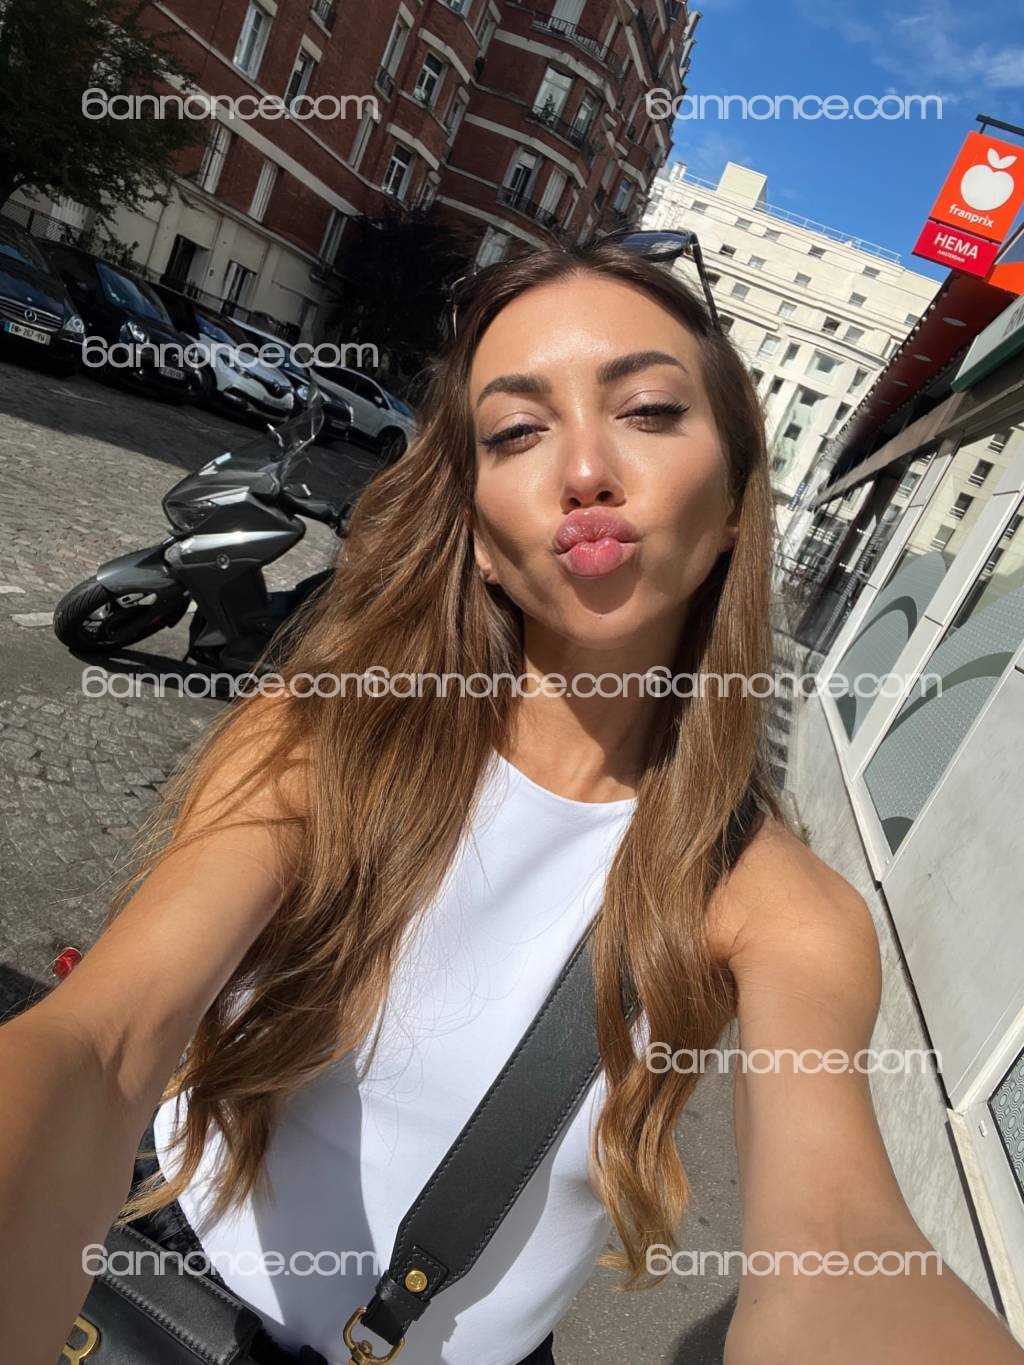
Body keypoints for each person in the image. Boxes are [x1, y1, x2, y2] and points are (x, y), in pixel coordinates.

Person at [2, 235, 1023, 1365]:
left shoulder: (787, 913)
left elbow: (833, 1246)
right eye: (517, 431)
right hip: (178, 1305)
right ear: (482, 537)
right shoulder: (318, 743)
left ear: (737, 499)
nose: (583, 467)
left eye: (647, 411)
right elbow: (105, 1043)